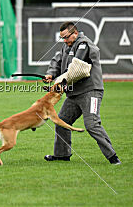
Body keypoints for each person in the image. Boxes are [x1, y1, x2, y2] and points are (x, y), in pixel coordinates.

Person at [43, 21, 121, 165]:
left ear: (76, 33)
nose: (64, 41)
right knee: (62, 121)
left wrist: (57, 82)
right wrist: (50, 74)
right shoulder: (67, 46)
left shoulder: (84, 44)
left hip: (90, 92)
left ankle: (113, 157)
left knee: (92, 124)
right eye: (62, 38)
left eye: (66, 37)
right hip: (74, 94)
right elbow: (57, 61)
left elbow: (76, 69)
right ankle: (61, 155)